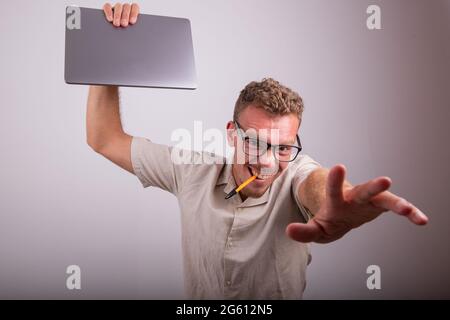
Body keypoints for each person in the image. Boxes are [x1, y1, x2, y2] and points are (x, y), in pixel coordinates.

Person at [87, 3, 428, 299]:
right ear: (232, 134)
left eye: (282, 147)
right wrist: (110, 49)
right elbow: (104, 138)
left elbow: (315, 184)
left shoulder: (297, 172)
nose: (267, 162)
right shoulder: (191, 170)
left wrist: (340, 200)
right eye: (254, 142)